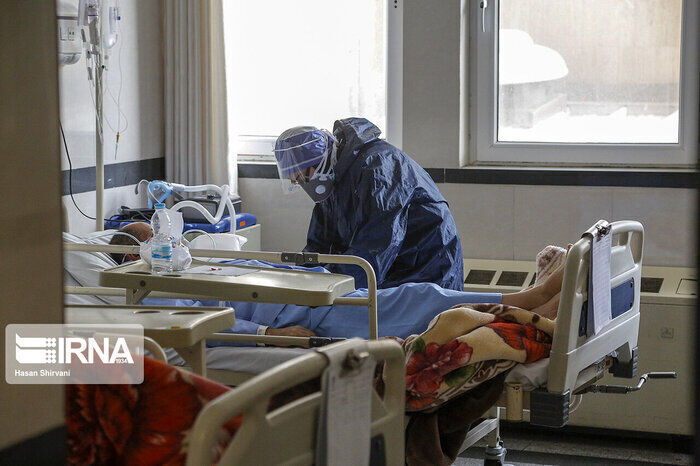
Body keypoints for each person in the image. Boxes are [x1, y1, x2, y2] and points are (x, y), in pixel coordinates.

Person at [109, 224, 563, 341]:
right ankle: (532, 303)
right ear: (133, 256)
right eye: (153, 240)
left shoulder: (199, 263)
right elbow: (201, 326)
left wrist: (316, 275)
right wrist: (268, 334)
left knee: (417, 295)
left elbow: (263, 270)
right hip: (306, 319)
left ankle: (531, 303)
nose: (169, 243)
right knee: (422, 302)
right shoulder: (152, 294)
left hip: (321, 297)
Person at [273, 118, 463, 291]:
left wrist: (329, 287)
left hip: (428, 271)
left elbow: (375, 248)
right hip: (393, 272)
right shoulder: (332, 181)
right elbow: (320, 246)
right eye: (295, 180)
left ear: (318, 161)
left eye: (302, 176)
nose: (301, 183)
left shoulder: (378, 168)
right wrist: (302, 278)